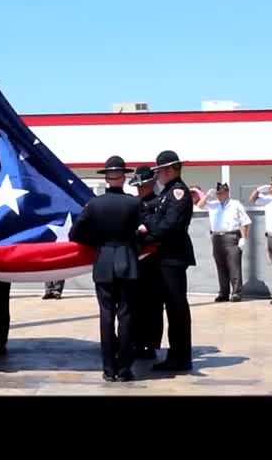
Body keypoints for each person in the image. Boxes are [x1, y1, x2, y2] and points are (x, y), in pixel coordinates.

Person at [69, 155, 141, 382]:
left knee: (106, 316)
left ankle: (109, 369)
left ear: (107, 177)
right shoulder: (134, 203)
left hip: (103, 262)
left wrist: (97, 242)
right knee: (127, 316)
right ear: (124, 176)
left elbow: (75, 234)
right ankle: (125, 368)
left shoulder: (94, 204)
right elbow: (146, 230)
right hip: (127, 261)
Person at [137, 150, 196, 372]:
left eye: (160, 171)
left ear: (170, 170)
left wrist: (147, 234)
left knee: (176, 308)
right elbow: (156, 218)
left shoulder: (178, 192)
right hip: (165, 257)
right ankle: (176, 354)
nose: (158, 175)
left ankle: (180, 357)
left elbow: (169, 225)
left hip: (172, 257)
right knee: (171, 307)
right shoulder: (168, 193)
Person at [196, 182, 251, 302]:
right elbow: (200, 205)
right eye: (217, 193)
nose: (219, 195)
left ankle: (236, 292)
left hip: (231, 236)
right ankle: (223, 293)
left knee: (234, 266)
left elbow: (245, 222)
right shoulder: (213, 204)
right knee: (221, 266)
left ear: (227, 192)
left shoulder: (235, 204)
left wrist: (243, 238)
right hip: (216, 237)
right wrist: (206, 196)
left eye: (221, 193)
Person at [131, 164, 164, 360]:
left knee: (153, 305)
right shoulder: (134, 204)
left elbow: (157, 231)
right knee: (135, 304)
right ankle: (135, 341)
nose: (140, 189)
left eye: (143, 185)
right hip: (136, 260)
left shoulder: (159, 203)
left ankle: (150, 344)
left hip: (154, 261)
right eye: (138, 186)